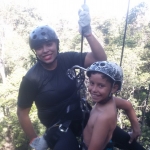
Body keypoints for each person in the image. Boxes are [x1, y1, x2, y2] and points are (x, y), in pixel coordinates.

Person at [17, 4, 144, 150]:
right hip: (58, 127)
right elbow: (22, 112)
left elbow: (99, 58)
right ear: (35, 51)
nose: (45, 50)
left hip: (82, 114)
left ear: (56, 45)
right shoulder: (32, 78)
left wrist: (88, 33)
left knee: (131, 145)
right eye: (39, 47)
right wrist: (34, 138)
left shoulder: (67, 59)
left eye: (49, 44)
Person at [82, 61, 145, 150]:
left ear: (114, 88)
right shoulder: (110, 100)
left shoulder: (103, 117)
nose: (93, 89)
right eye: (92, 83)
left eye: (101, 85)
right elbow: (128, 105)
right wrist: (136, 130)